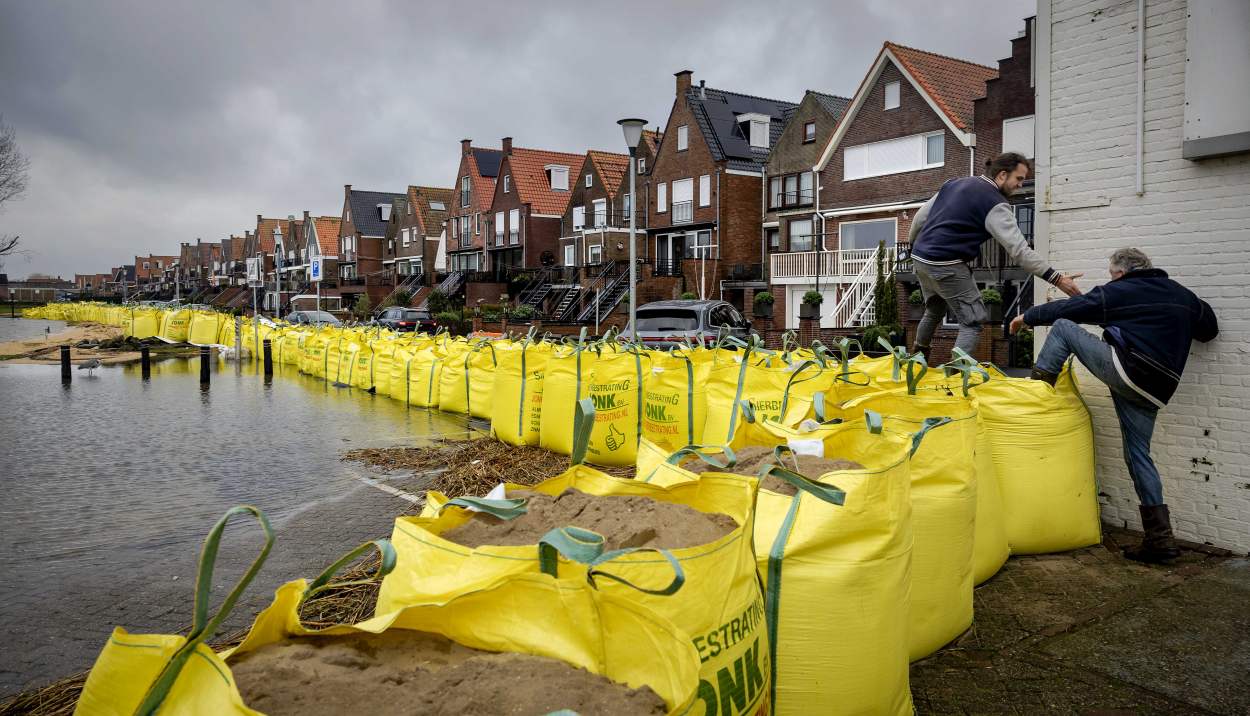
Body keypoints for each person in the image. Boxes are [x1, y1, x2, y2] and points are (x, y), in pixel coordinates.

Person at [1010, 248, 1219, 563]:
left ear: (1120, 273)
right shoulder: (1183, 296)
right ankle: (1160, 541)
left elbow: (1075, 307)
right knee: (1138, 455)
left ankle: (1034, 399)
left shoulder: (1121, 291)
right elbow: (1210, 329)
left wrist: (1029, 316)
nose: (1110, 280)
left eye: (1111, 275)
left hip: (1131, 370)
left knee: (1065, 327)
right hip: (1157, 390)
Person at [907, 152, 1082, 359]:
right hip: (949, 264)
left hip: (920, 258)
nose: (1020, 184)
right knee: (972, 323)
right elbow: (1020, 252)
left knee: (934, 310)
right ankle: (953, 381)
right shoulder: (995, 203)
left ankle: (916, 362)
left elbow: (919, 219)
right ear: (1001, 175)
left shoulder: (953, 184)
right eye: (1019, 178)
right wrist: (1058, 279)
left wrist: (914, 249)